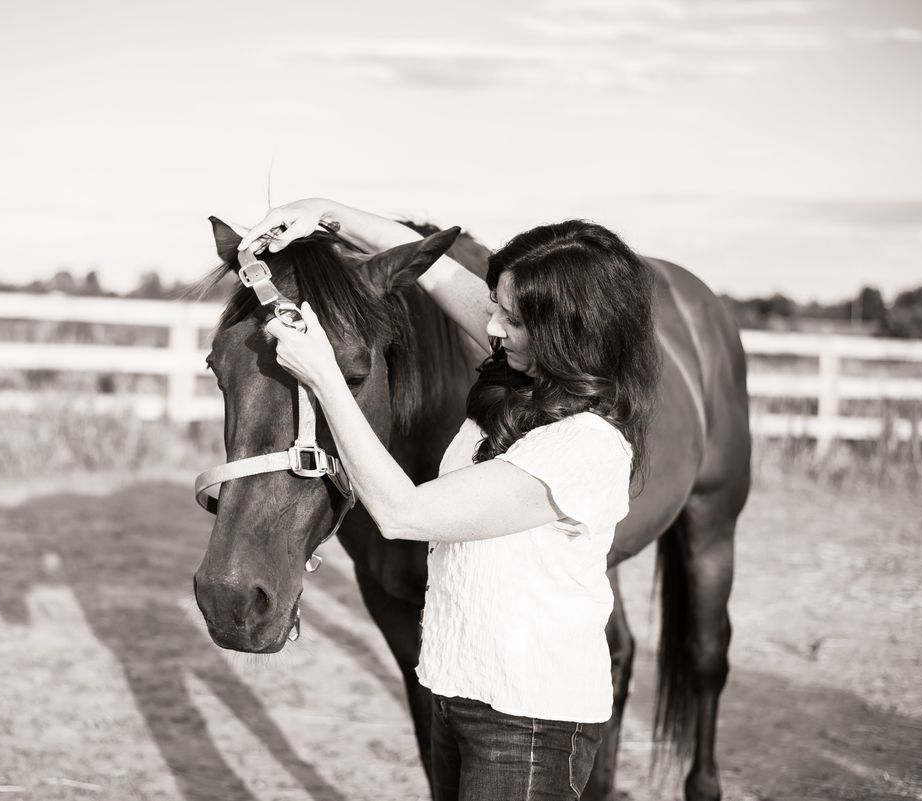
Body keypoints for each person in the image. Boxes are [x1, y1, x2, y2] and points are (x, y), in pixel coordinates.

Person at [240, 198, 660, 801]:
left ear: (568, 333)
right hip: (458, 692)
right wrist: (325, 212)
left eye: (512, 320)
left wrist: (325, 376)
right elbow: (434, 272)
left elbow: (401, 512)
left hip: (528, 721)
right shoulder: (524, 374)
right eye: (495, 307)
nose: (492, 327)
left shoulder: (583, 447)